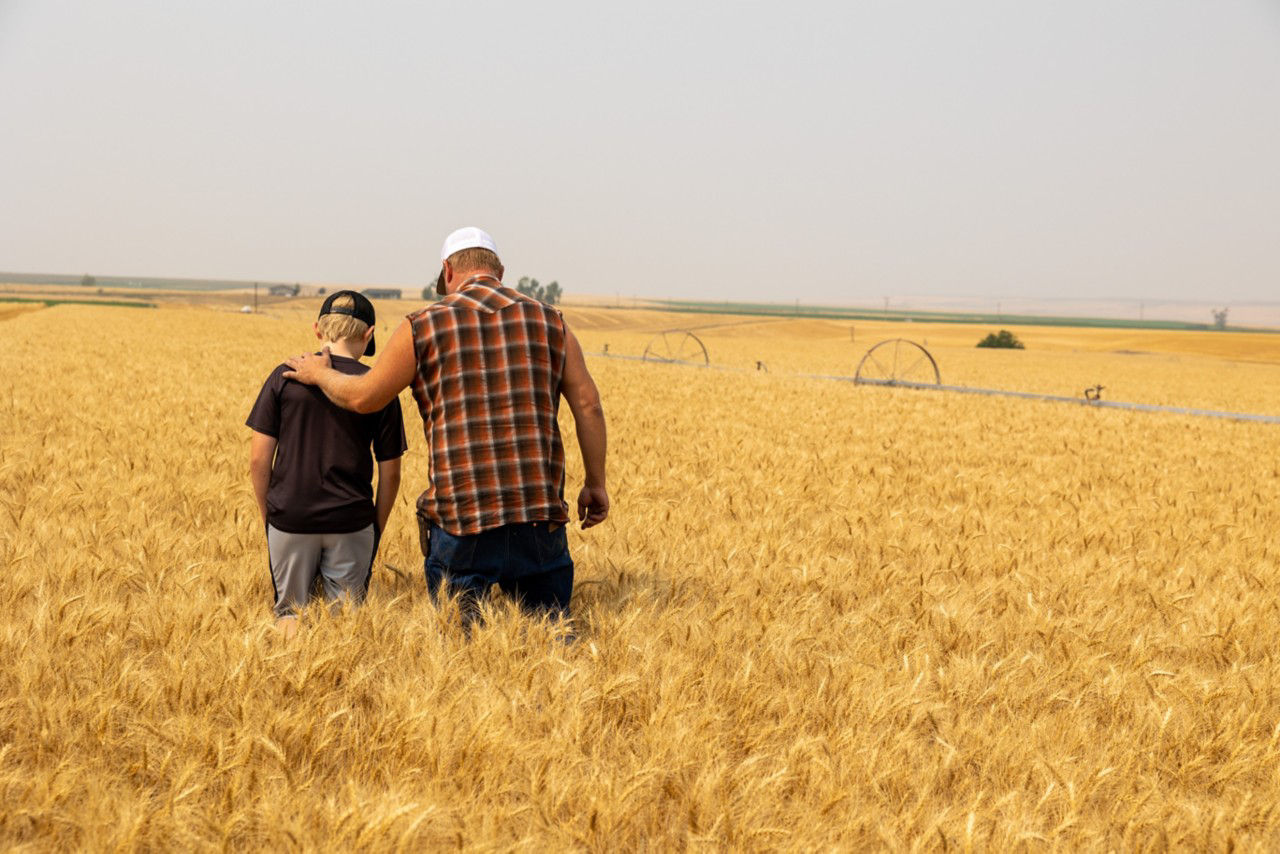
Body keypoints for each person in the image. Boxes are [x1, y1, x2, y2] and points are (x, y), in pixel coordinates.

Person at [283, 227, 608, 626]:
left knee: (461, 643)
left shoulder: (422, 325)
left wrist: (319, 374)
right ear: (499, 271)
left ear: (447, 270)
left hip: (461, 519)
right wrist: (595, 483)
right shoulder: (552, 321)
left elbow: (365, 397)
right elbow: (589, 406)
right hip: (538, 517)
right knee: (551, 635)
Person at [247, 291, 408, 636]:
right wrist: (374, 526)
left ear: (318, 331)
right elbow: (391, 472)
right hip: (351, 520)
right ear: (368, 336)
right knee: (346, 624)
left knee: (288, 614)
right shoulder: (377, 388)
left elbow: (258, 458)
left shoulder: (283, 376)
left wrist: (271, 516)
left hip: (290, 517)